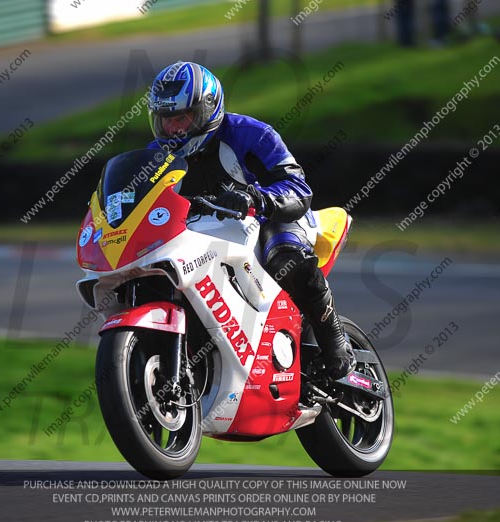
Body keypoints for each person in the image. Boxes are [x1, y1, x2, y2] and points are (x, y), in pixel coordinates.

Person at [146, 61, 354, 381]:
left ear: (207, 110)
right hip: (202, 233)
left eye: (181, 117)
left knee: (287, 257)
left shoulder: (250, 134)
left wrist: (258, 199)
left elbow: (298, 188)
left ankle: (335, 344)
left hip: (271, 218)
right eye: (166, 120)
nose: (173, 128)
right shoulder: (155, 156)